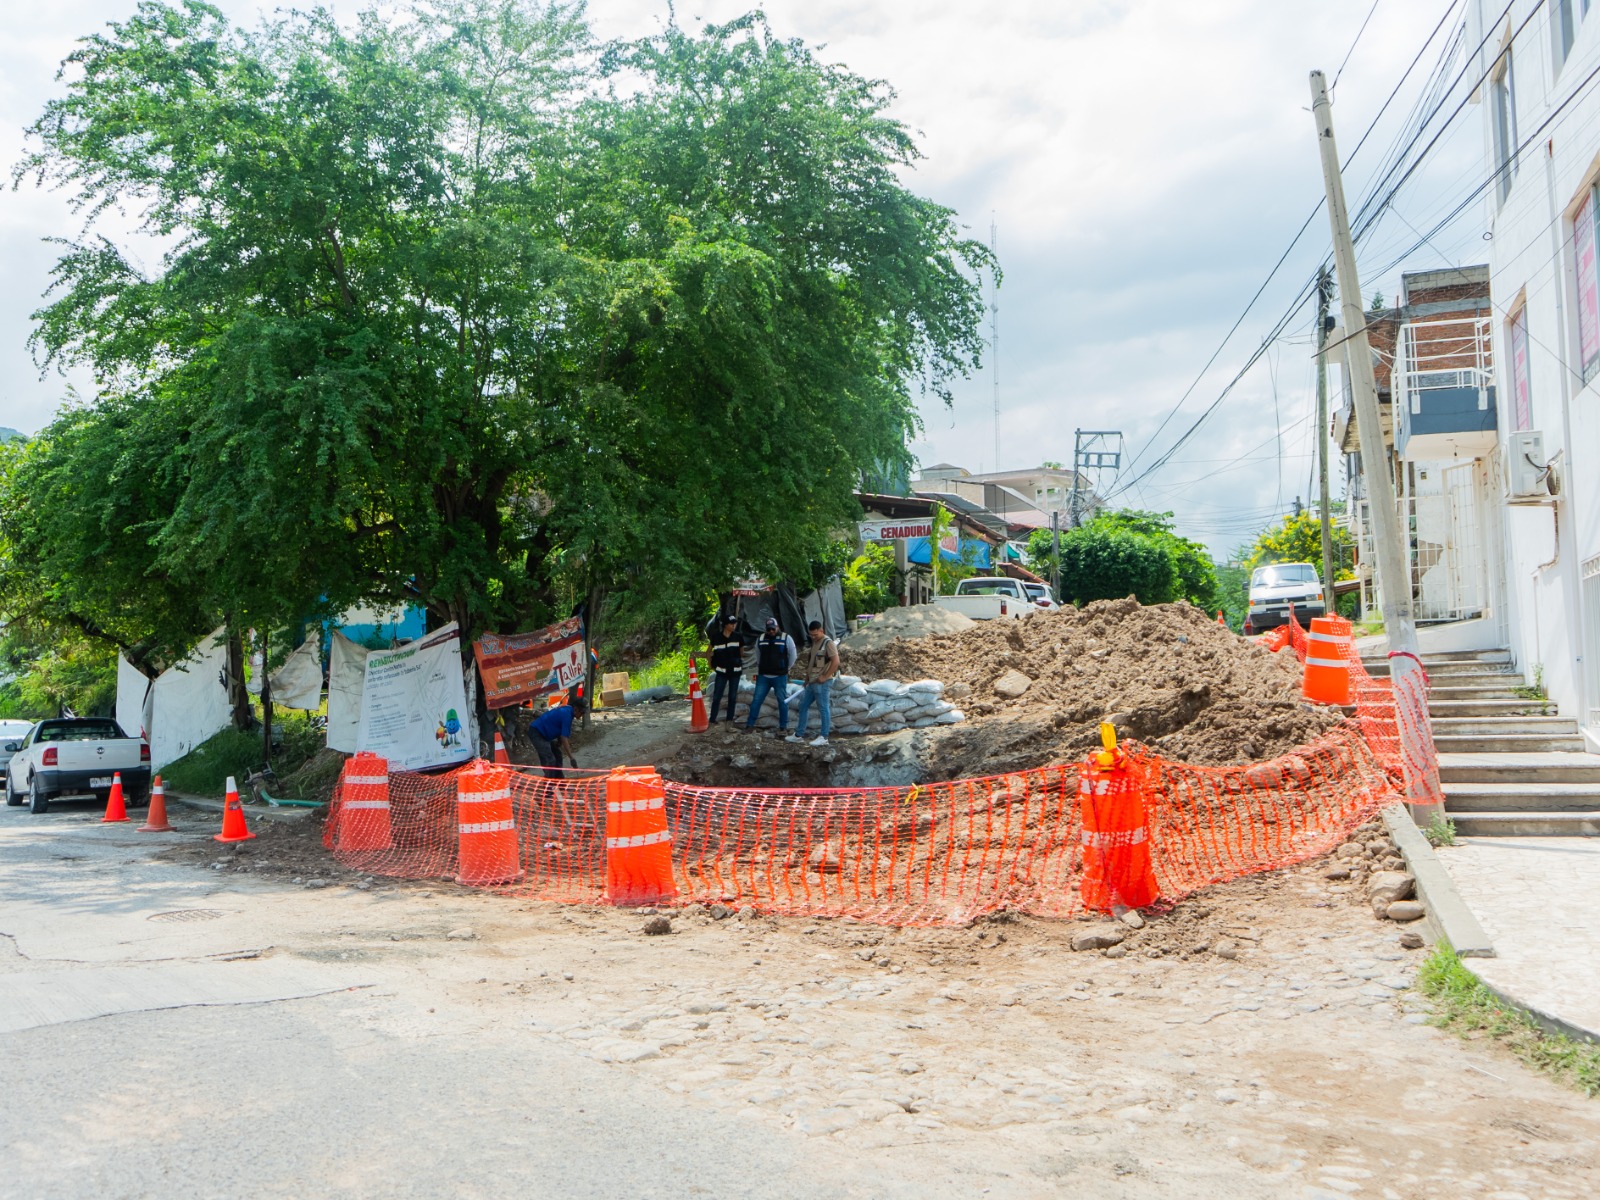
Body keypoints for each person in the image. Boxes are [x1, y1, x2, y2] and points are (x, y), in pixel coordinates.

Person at [788, 620, 839, 746]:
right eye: (811, 635)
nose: (813, 637)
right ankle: (799, 734)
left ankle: (824, 737)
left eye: (815, 634)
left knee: (823, 708)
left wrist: (825, 676)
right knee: (803, 705)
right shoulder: (815, 643)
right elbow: (812, 663)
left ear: (822, 631)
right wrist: (807, 679)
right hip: (812, 682)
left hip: (822, 683)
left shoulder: (828, 643)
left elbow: (836, 662)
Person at [744, 616, 797, 733]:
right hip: (764, 676)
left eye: (773, 629)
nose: (771, 631)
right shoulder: (761, 638)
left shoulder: (786, 638)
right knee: (756, 700)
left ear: (777, 627)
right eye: (769, 629)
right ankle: (750, 725)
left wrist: (786, 668)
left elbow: (793, 655)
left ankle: (783, 727)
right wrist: (763, 666)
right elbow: (758, 655)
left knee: (782, 701)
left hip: (780, 676)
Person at [529, 694, 586, 779]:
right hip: (537, 733)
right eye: (582, 712)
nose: (582, 715)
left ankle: (559, 780)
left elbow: (560, 730)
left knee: (557, 754)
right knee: (550, 759)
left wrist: (558, 743)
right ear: (576, 709)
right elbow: (564, 738)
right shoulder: (567, 715)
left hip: (544, 734)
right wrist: (571, 758)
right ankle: (549, 784)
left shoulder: (568, 710)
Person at [707, 614, 744, 725]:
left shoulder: (738, 636)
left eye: (735, 623)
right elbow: (708, 651)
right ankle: (712, 720)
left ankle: (729, 721)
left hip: (735, 671)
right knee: (717, 696)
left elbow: (742, 652)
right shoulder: (716, 637)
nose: (734, 625)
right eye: (731, 623)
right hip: (721, 672)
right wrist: (710, 663)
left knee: (732, 697)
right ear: (725, 625)